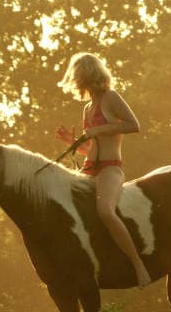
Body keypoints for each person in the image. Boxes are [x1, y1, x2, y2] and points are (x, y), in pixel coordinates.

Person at [54, 53, 150, 287]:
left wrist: (100, 130)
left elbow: (133, 125)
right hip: (89, 169)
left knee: (105, 211)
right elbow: (91, 148)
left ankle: (139, 266)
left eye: (79, 78)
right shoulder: (87, 108)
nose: (77, 84)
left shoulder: (111, 98)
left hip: (110, 169)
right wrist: (73, 142)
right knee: (66, 212)